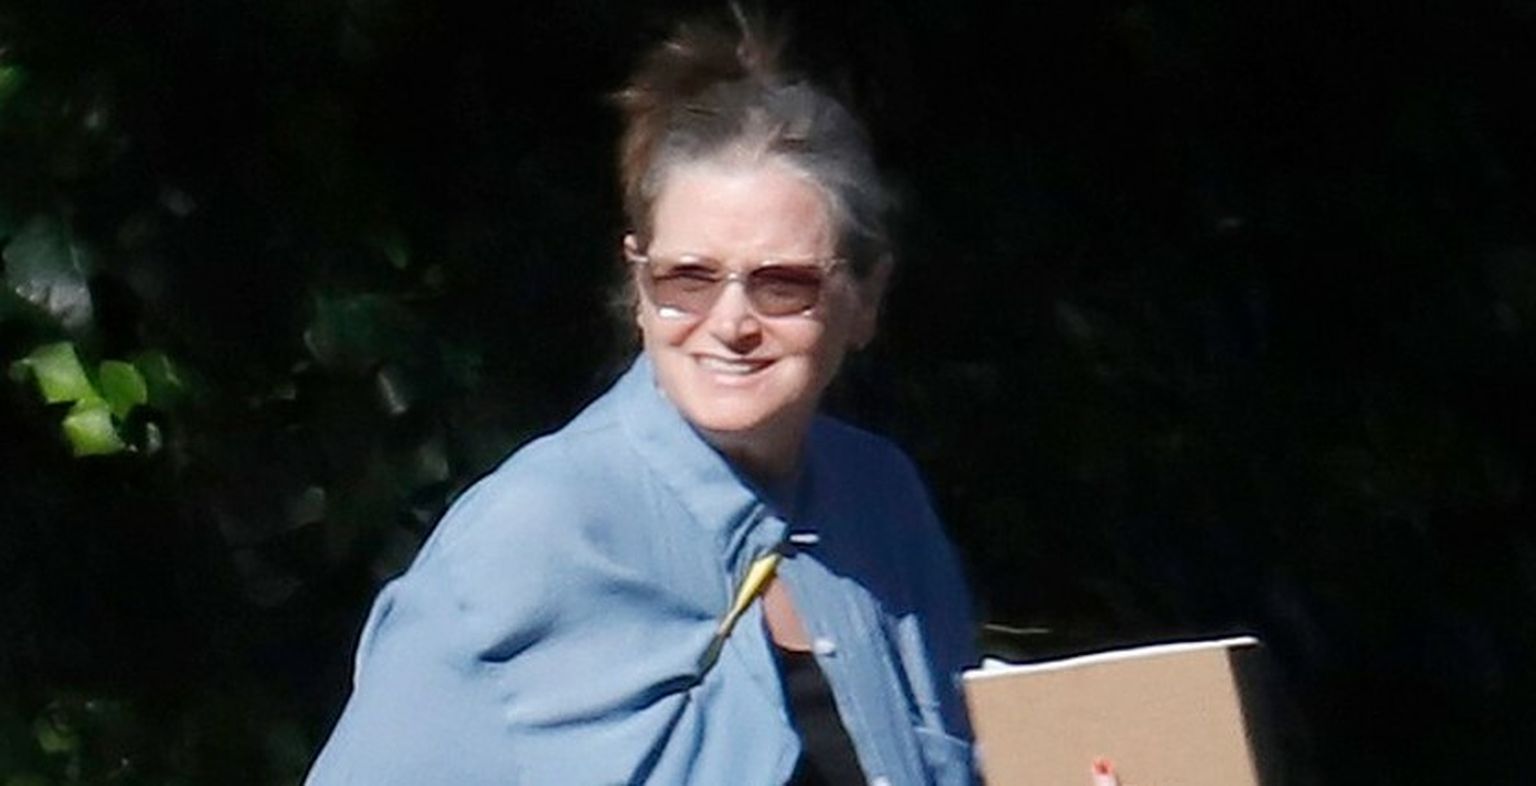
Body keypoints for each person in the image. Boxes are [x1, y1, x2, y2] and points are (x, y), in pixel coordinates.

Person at [306, 10, 978, 785]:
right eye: (688, 279)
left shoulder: (881, 503)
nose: (731, 324)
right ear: (638, 286)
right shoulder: (534, 535)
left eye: (781, 284)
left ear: (866, 297)